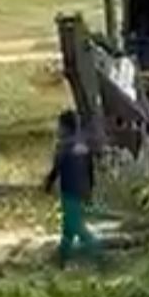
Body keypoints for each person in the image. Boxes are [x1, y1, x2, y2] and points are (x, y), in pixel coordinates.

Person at [44, 109, 101, 267]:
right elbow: (90, 168)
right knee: (68, 226)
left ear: (65, 127)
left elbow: (57, 167)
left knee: (75, 226)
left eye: (59, 126)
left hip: (69, 189)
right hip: (83, 188)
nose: (58, 130)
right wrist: (91, 188)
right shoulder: (84, 145)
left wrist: (48, 183)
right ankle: (63, 255)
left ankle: (96, 250)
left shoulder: (64, 145)